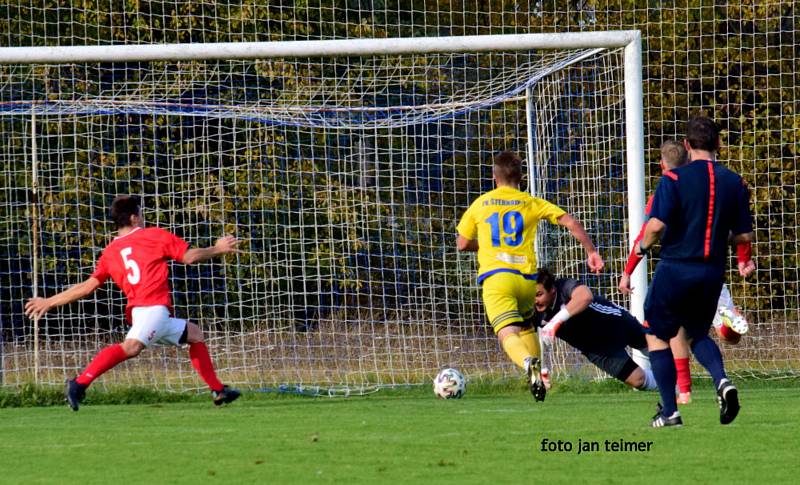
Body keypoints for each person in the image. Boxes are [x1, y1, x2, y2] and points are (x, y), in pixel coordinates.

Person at [24, 195, 242, 411]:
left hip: (145, 313)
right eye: (141, 212)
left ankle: (218, 390)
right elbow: (189, 257)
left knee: (194, 334)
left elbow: (87, 286)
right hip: (153, 310)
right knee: (131, 348)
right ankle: (79, 383)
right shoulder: (153, 236)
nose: (143, 217)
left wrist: (50, 301)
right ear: (134, 218)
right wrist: (218, 248)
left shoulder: (110, 252)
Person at [635, 116, 755, 427]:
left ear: (687, 146)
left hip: (676, 268)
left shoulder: (674, 180)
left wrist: (641, 250)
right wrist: (743, 259)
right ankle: (722, 381)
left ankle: (670, 412)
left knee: (655, 333)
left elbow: (656, 227)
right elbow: (743, 236)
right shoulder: (736, 182)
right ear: (719, 145)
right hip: (712, 273)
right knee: (697, 333)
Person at [456, 151, 604, 401]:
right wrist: (591, 251)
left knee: (506, 332)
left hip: (497, 278)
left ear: (495, 178)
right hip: (526, 280)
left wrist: (489, 247)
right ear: (521, 177)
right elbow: (569, 221)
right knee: (526, 326)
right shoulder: (530, 202)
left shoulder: (481, 203)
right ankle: (540, 382)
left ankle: (529, 363)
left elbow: (462, 243)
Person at [534, 269, 658, 391]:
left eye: (539, 295)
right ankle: (670, 384)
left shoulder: (564, 286)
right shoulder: (531, 311)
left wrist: (555, 321)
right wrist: (535, 372)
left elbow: (585, 296)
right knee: (639, 380)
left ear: (552, 289)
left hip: (612, 323)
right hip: (596, 348)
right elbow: (521, 335)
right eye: (532, 296)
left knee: (655, 348)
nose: (535, 301)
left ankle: (676, 380)